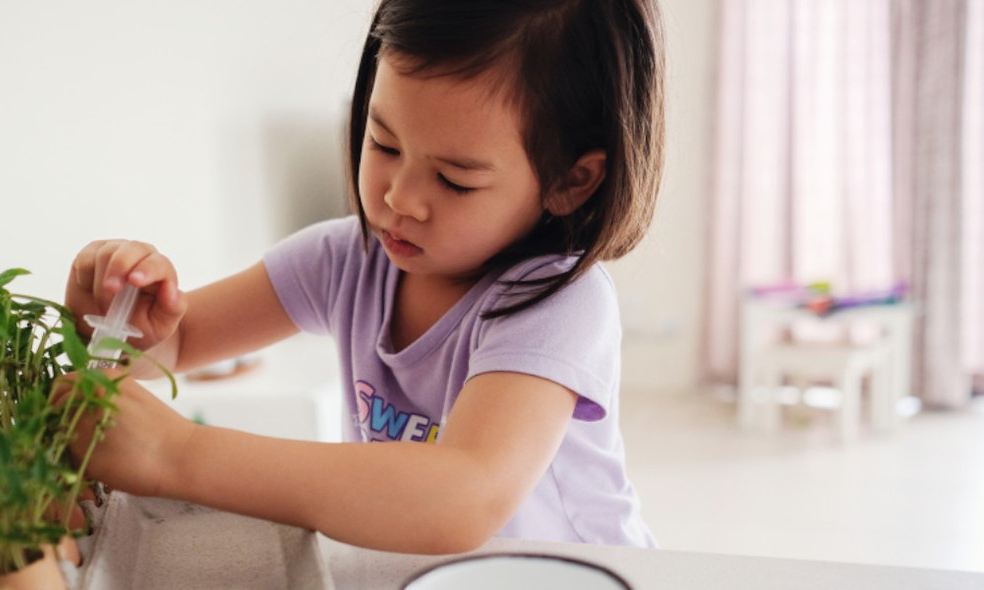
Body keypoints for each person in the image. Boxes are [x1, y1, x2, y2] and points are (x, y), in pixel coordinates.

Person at [63, 0, 665, 554]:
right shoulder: (345, 259)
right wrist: (120, 326)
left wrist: (180, 454)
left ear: (570, 181)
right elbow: (181, 345)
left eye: (455, 180)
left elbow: (463, 496)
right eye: (383, 144)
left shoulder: (560, 303)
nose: (399, 199)